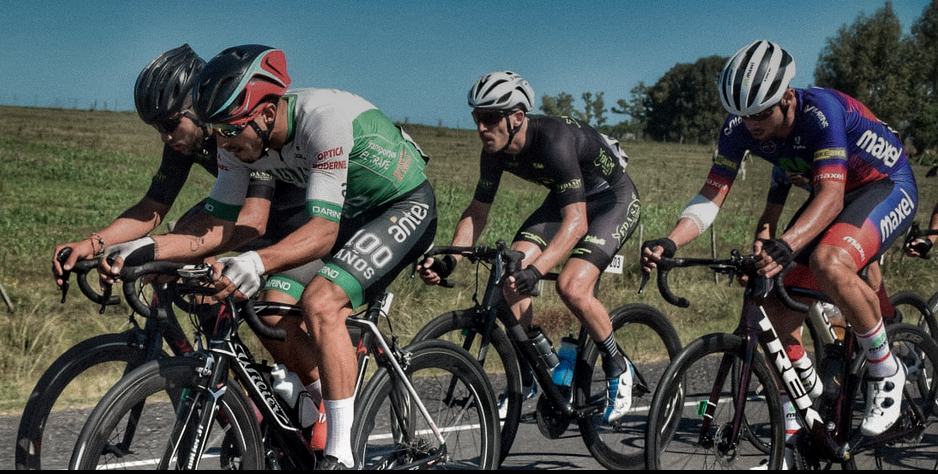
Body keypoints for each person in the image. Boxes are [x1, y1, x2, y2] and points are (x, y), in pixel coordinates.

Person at [105, 44, 437, 470]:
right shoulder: (238, 141)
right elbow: (217, 226)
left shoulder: (324, 120)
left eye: (229, 131)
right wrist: (140, 249)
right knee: (272, 302)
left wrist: (256, 261)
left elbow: (322, 232)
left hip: (402, 205)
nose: (220, 144)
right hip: (352, 216)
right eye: (217, 131)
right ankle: (309, 404)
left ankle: (341, 455)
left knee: (322, 301)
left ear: (264, 115)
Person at [641, 40, 918, 457]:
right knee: (770, 313)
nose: (751, 123)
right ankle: (797, 416)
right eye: (743, 114)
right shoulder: (739, 129)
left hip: (885, 184)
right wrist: (670, 239)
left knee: (829, 260)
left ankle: (886, 368)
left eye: (761, 113)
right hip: (837, 194)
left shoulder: (820, 112)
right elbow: (712, 194)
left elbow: (831, 198)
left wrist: (787, 244)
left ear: (787, 96)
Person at [417, 71, 641, 424]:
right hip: (566, 201)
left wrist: (536, 271)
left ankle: (617, 364)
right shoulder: (494, 150)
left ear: (517, 117)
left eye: (489, 118)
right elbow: (477, 213)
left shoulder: (553, 140)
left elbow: (577, 223)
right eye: (477, 117)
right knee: (507, 272)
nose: (480, 127)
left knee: (571, 286)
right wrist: (450, 261)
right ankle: (537, 368)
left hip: (611, 201)